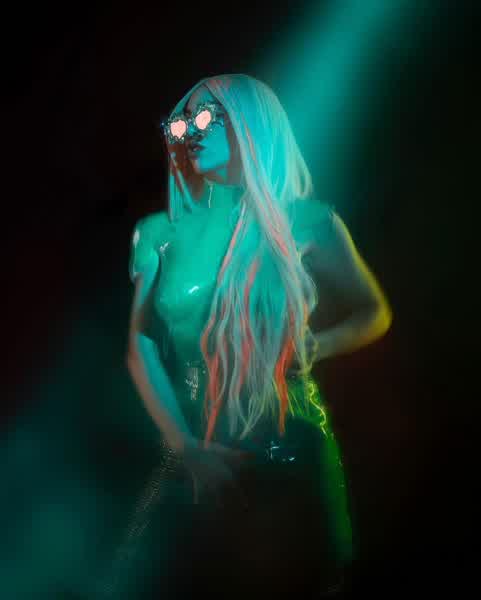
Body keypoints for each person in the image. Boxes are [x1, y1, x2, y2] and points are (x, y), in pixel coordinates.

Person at [118, 73, 392, 599]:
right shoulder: (159, 234)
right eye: (183, 122)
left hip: (291, 444)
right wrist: (185, 446)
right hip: (194, 445)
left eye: (206, 116)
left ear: (252, 121)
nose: (191, 131)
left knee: (304, 581)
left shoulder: (309, 222)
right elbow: (141, 345)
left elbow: (373, 310)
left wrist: (317, 346)